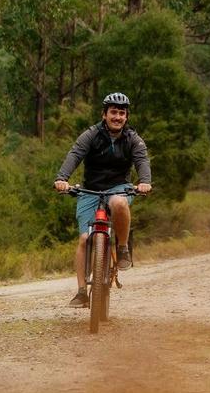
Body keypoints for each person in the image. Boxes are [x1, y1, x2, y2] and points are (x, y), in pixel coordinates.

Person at [54, 92, 152, 306]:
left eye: (122, 113)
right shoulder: (90, 135)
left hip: (119, 187)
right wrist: (62, 178)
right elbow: (75, 154)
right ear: (104, 114)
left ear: (126, 117)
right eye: (113, 112)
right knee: (83, 239)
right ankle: (81, 291)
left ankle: (123, 247)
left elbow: (142, 161)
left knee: (118, 202)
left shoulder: (133, 139)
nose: (117, 117)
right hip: (90, 190)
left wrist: (144, 181)